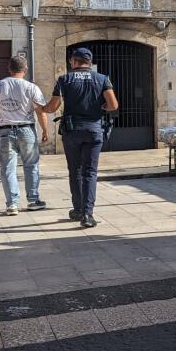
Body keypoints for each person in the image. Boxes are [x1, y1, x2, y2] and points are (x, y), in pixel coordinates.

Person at [43, 48, 119, 229]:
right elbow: (113, 105)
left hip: (71, 130)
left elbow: (53, 107)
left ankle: (77, 209)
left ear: (73, 61)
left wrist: (42, 108)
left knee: (75, 170)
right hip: (94, 129)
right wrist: (101, 108)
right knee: (90, 172)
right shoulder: (102, 79)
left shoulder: (64, 79)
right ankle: (87, 214)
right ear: (90, 62)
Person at [0, 55, 49, 215]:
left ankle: (12, 204)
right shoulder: (31, 87)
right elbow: (40, 111)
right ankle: (33, 200)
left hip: (5, 131)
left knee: (7, 167)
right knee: (31, 165)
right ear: (25, 70)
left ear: (9, 69)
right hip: (26, 129)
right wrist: (45, 130)